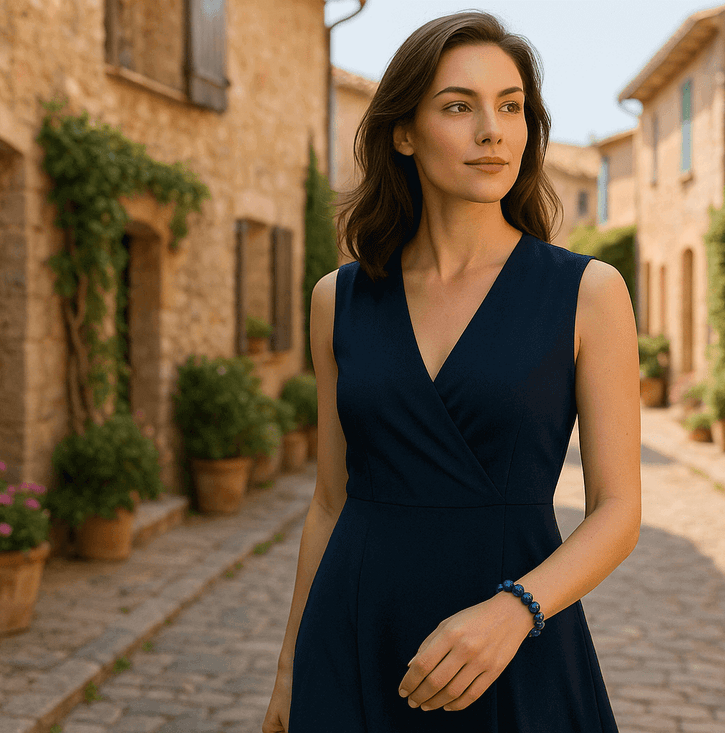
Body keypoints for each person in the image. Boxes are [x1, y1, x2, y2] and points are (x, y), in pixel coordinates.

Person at [262, 10, 641, 732]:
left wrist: (513, 611)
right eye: (459, 106)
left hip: (516, 649)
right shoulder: (335, 300)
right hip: (356, 643)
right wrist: (288, 669)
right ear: (403, 132)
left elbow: (618, 513)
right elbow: (330, 502)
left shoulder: (588, 292)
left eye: (510, 106)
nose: (492, 130)